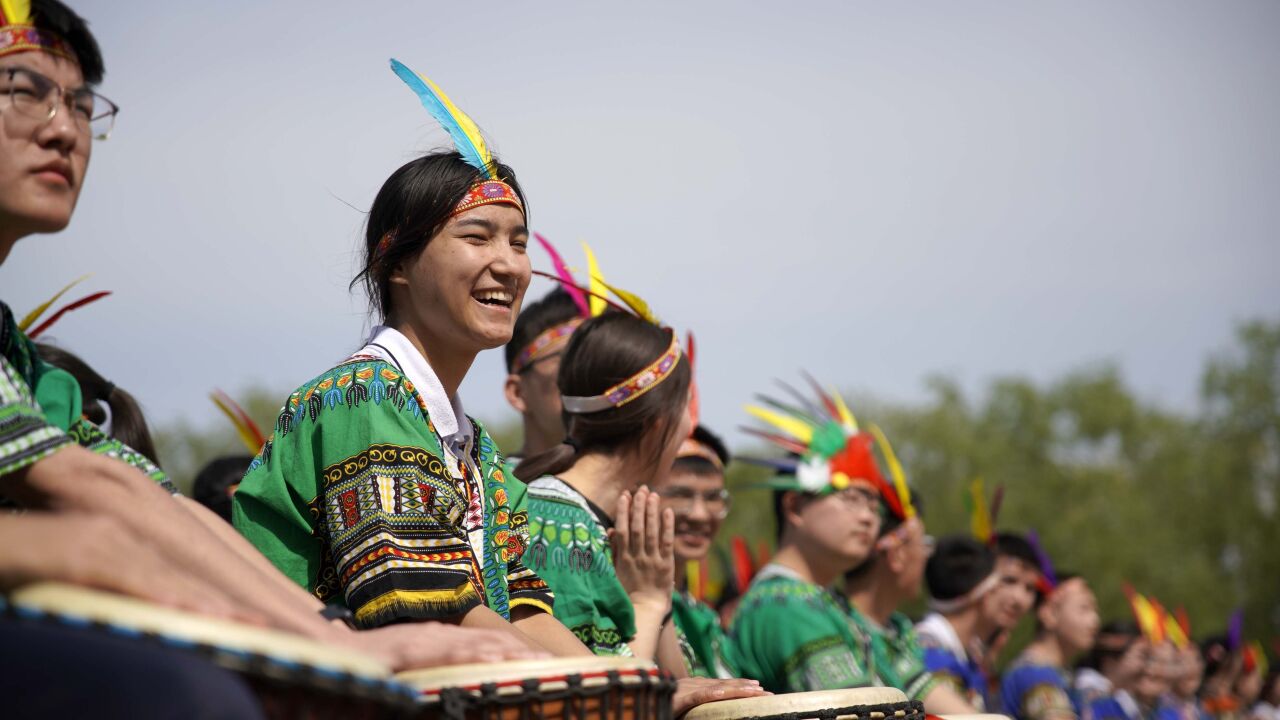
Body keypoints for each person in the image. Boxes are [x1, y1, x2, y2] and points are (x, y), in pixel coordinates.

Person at [232, 60, 587, 655]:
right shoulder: (364, 397)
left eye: (518, 242)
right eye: (477, 237)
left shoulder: (480, 455)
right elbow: (424, 605)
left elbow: (521, 610)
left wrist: (645, 692)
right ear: (396, 264)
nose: (508, 263)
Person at [729, 381, 895, 694]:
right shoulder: (785, 605)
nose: (868, 517)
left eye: (874, 506)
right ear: (794, 506)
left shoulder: (830, 604)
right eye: (851, 498)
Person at [843, 481, 979, 714]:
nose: (927, 557)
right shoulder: (835, 624)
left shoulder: (898, 631)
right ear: (897, 555)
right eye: (924, 544)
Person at [652, 423, 739, 678]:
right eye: (680, 495)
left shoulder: (701, 615)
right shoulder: (630, 606)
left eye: (713, 498)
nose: (700, 515)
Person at [999, 573, 1101, 720]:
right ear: (1050, 613)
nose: (1095, 620)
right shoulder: (1034, 674)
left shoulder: (1059, 674)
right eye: (1084, 608)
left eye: (1095, 610)